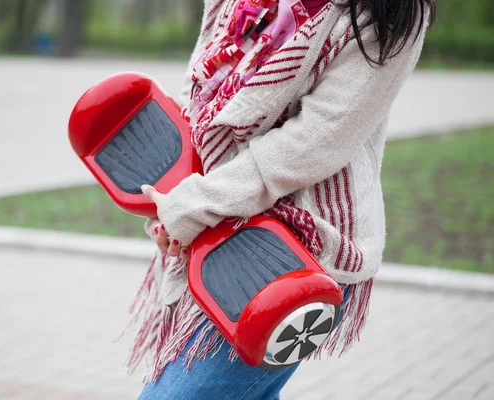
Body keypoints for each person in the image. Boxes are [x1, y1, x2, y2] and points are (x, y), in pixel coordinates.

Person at [128, 0, 435, 398]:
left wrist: (199, 203)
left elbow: (315, 140)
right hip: (211, 232)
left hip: (293, 251)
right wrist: (179, 198)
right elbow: (200, 85)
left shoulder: (389, 11)